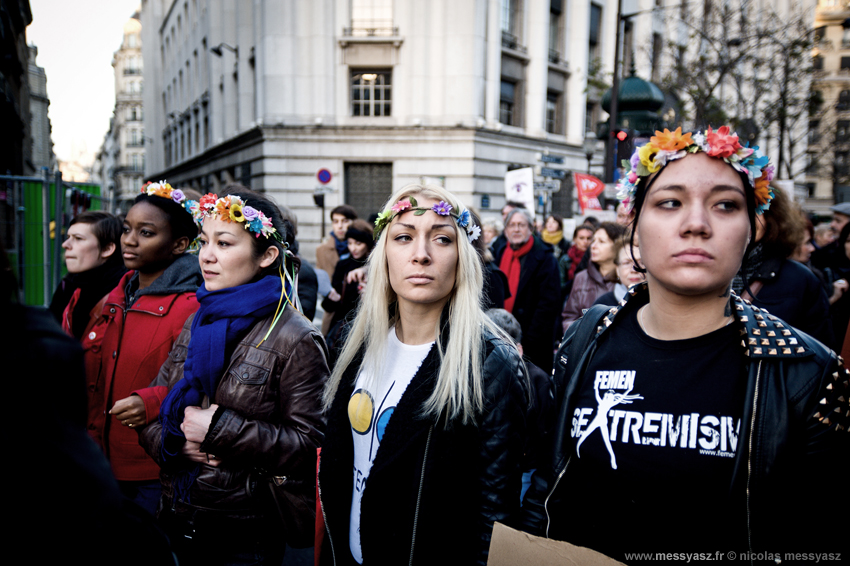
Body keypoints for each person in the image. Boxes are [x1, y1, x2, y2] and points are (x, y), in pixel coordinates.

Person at [520, 126, 848, 560]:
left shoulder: (806, 373)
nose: (696, 224)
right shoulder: (586, 340)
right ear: (633, 226)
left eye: (726, 205)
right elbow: (547, 492)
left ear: (753, 229)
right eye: (670, 202)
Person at [317, 185, 528, 566]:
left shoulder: (489, 363)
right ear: (384, 256)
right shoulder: (356, 343)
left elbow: (494, 520)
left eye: (442, 238)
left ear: (462, 258)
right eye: (403, 237)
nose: (421, 255)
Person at [138, 187, 329, 566]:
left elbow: (312, 446)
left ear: (267, 256)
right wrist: (175, 441)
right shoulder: (200, 318)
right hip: (177, 514)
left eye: (224, 243)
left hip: (244, 534)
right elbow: (158, 409)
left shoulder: (296, 337)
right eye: (204, 241)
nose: (206, 255)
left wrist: (221, 428)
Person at [80, 181, 202, 516]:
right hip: (102, 456)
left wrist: (150, 401)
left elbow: (202, 382)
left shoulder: (191, 306)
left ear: (179, 244)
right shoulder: (116, 296)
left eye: (146, 233)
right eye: (126, 229)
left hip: (151, 467)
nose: (129, 241)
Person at [732, 188, 832, 345]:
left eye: (754, 207)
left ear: (771, 216)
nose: (744, 218)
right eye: (728, 206)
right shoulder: (686, 272)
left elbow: (818, 353)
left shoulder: (801, 280)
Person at [493, 207, 561, 373]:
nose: (516, 229)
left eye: (521, 225)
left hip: (532, 344)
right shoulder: (500, 252)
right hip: (499, 337)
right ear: (506, 229)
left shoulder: (546, 258)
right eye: (512, 225)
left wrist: (526, 341)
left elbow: (548, 306)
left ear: (530, 228)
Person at [50, 211, 127, 339]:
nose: (65, 245)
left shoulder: (123, 294)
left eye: (78, 238)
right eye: (68, 237)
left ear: (107, 249)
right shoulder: (68, 285)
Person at [560, 221, 627, 332]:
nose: (593, 246)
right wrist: (580, 335)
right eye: (594, 240)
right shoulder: (581, 277)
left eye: (601, 241)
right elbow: (569, 316)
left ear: (617, 245)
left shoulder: (625, 278)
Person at [322, 219, 375, 353]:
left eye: (358, 243)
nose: (353, 248)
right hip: (342, 328)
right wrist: (331, 297)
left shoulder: (375, 267)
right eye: (350, 243)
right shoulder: (343, 265)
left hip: (368, 327)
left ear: (368, 244)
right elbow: (331, 304)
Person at [593, 237, 645, 307]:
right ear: (617, 269)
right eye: (626, 263)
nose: (634, 270)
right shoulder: (602, 305)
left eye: (641, 262)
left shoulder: (661, 302)